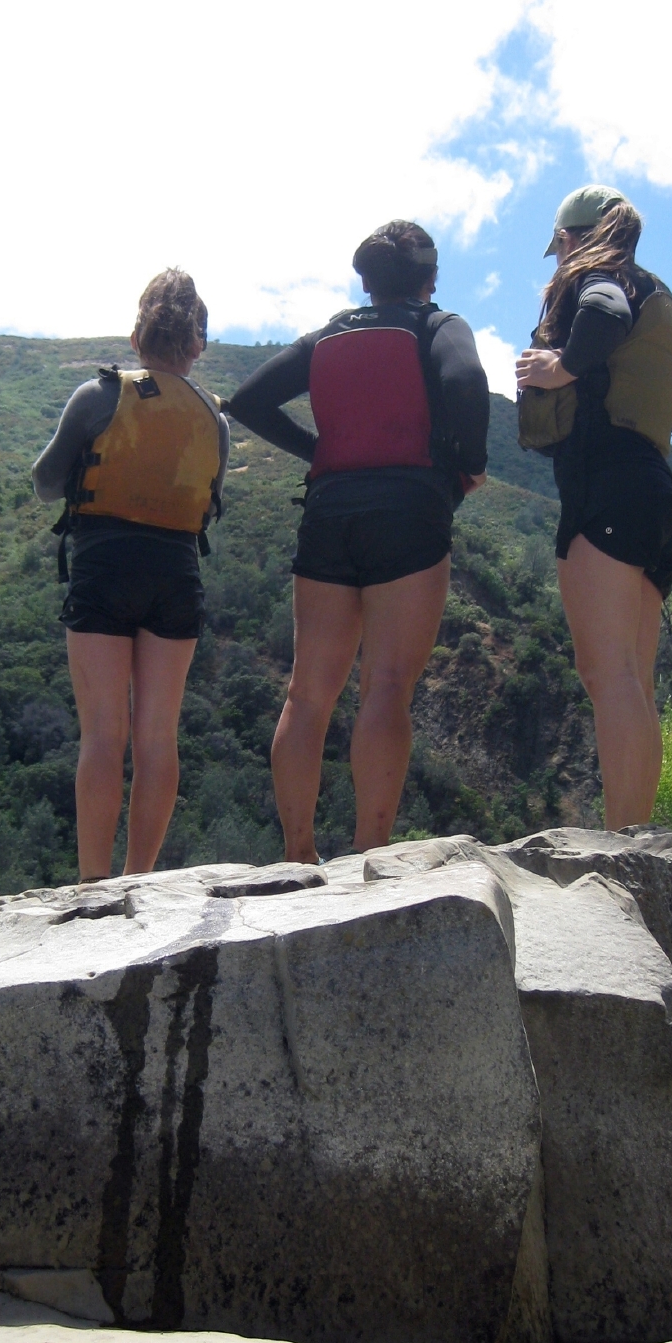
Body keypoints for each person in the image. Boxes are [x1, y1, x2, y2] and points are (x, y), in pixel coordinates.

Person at [228, 220, 489, 862]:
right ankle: (372, 848)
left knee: (307, 691)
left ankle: (297, 853)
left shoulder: (327, 336)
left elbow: (248, 400)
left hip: (329, 510)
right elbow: (463, 382)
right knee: (388, 683)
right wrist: (466, 463)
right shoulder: (438, 326)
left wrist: (320, 453)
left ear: (368, 282)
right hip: (409, 509)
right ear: (428, 277)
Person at [515, 185, 672, 830]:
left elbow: (601, 311)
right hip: (656, 491)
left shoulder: (602, 279)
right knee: (633, 681)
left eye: (558, 245)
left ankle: (620, 847)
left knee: (607, 676)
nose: (557, 260)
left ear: (573, 237)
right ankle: (635, 836)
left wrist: (562, 367)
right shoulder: (657, 300)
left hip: (606, 484)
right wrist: (651, 415)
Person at [33, 269, 229, 881]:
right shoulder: (215, 420)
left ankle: (92, 886)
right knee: (157, 738)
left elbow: (44, 482)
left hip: (103, 567)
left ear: (139, 334)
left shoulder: (99, 397)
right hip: (175, 573)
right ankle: (138, 877)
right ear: (196, 343)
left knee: (102, 738)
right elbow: (208, 497)